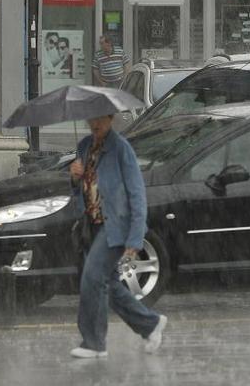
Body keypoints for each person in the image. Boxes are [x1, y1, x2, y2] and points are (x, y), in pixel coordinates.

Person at [68, 114, 167, 359]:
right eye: (92, 120)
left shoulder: (121, 149)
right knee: (108, 286)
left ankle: (93, 343)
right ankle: (150, 324)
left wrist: (135, 238)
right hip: (91, 226)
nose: (95, 124)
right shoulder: (84, 147)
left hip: (114, 227)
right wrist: (74, 177)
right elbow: (82, 190)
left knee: (91, 279)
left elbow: (137, 194)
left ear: (110, 118)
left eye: (100, 119)